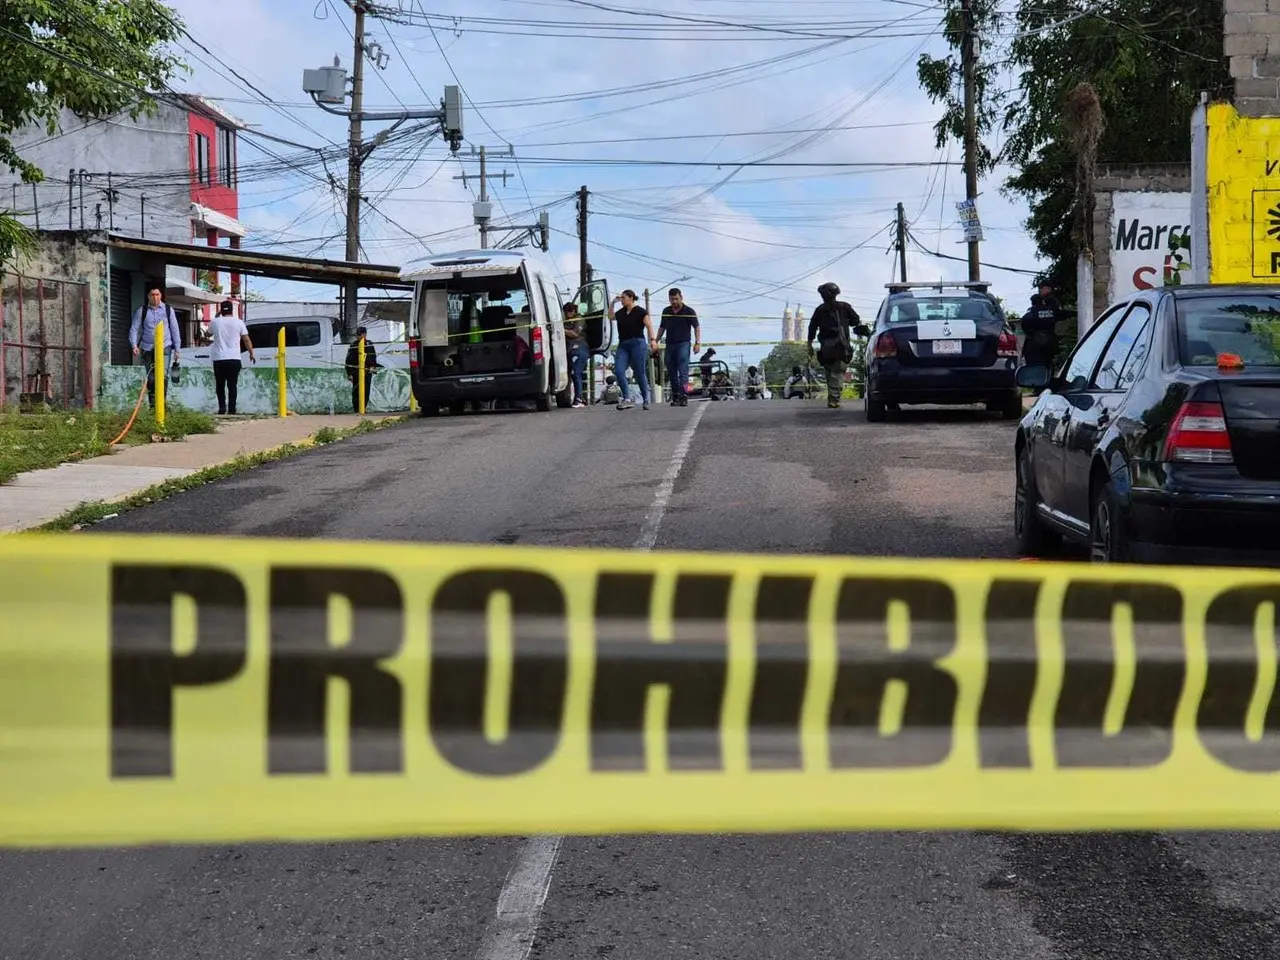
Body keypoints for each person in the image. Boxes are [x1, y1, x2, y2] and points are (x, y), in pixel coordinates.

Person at [807, 281, 869, 409]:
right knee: (837, 373)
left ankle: (833, 397)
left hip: (826, 347)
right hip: (842, 346)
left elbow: (812, 327)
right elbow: (856, 321)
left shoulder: (819, 310)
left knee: (830, 373)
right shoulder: (844, 307)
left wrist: (809, 344)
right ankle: (834, 399)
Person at [128, 282, 182, 409]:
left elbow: (175, 329)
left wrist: (177, 349)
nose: (155, 297)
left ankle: (161, 405)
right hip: (148, 347)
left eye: (157, 294)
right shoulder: (142, 311)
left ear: (161, 295)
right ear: (148, 296)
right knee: (151, 378)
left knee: (163, 376)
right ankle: (153, 405)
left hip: (165, 346)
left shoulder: (169, 310)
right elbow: (134, 329)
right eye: (152, 295)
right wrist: (134, 345)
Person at [610, 289, 657, 410]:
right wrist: (612, 303)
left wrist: (653, 340)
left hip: (638, 343)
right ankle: (627, 398)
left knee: (639, 371)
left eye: (623, 298)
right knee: (619, 370)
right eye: (621, 298)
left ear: (631, 298)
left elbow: (649, 325)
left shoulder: (640, 311)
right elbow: (610, 316)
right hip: (623, 344)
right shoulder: (621, 313)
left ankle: (646, 399)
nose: (622, 300)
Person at [208, 299, 255, 415]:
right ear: (232, 310)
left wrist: (217, 317)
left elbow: (208, 334)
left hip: (219, 359)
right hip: (234, 358)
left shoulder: (215, 322)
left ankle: (222, 409)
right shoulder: (239, 322)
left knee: (220, 385)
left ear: (221, 310)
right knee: (232, 385)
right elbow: (246, 339)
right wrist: (251, 353)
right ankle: (232, 410)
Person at [656, 287, 700, 407]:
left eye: (676, 299)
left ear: (681, 298)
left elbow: (696, 327)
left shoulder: (689, 311)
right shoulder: (666, 311)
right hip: (670, 344)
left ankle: (684, 395)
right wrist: (655, 341)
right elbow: (662, 327)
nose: (674, 302)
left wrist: (697, 343)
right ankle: (675, 395)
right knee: (671, 371)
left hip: (684, 344)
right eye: (672, 299)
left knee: (683, 371)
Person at [1021, 281, 1064, 371]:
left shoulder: (1030, 314)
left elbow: (1025, 326)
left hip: (1034, 345)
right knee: (1048, 366)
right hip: (1050, 342)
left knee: (1034, 368)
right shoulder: (1051, 311)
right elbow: (1061, 314)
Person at [344, 326, 380, 413]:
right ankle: (357, 410)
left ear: (365, 334)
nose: (358, 336)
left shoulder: (369, 344)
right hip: (356, 371)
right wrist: (349, 374)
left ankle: (363, 409)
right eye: (357, 335)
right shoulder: (353, 345)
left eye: (360, 334)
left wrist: (373, 367)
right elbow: (348, 360)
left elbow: (372, 357)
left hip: (367, 371)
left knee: (366, 391)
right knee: (356, 391)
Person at [563, 301, 590, 408]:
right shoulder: (566, 320)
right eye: (566, 312)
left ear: (573, 311)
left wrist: (561, 329)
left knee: (575, 373)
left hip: (580, 349)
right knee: (572, 374)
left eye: (569, 312)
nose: (567, 314)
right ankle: (580, 398)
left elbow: (574, 333)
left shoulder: (579, 319)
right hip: (570, 350)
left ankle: (578, 399)